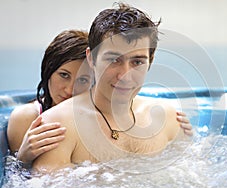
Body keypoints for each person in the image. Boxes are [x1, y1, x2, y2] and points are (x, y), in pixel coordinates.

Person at [32, 3, 193, 172]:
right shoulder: (58, 127)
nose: (125, 75)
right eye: (114, 60)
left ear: (150, 62)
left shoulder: (168, 119)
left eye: (137, 62)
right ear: (92, 59)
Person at [7, 30, 94, 166]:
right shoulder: (26, 118)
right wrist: (22, 158)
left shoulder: (101, 120)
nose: (70, 90)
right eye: (64, 75)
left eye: (82, 80)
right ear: (48, 72)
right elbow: (16, 182)